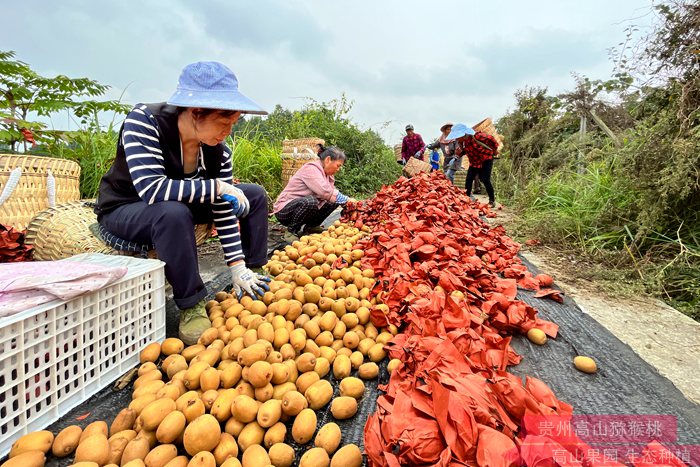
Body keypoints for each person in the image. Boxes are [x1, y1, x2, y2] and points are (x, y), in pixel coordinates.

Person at [95, 61, 271, 345]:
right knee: (173, 213)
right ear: (195, 112)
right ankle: (190, 302)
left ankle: (254, 271)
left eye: (233, 123)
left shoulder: (218, 151)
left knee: (253, 194)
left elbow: (222, 207)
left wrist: (236, 266)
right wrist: (216, 187)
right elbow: (151, 189)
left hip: (179, 205)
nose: (227, 131)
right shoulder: (145, 121)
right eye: (223, 122)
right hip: (129, 206)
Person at [273, 146, 355, 237]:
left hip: (302, 209)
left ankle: (312, 227)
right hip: (285, 211)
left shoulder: (328, 175)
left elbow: (331, 195)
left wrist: (347, 205)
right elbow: (325, 192)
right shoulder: (311, 169)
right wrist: (347, 199)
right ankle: (291, 231)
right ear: (328, 160)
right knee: (311, 201)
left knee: (333, 201)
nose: (338, 169)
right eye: (338, 165)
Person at [446, 123, 499, 207]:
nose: (456, 138)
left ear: (463, 134)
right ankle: (466, 199)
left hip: (486, 158)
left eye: (457, 136)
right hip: (474, 161)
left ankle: (492, 201)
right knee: (469, 180)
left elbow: (492, 139)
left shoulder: (478, 136)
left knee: (485, 179)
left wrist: (495, 150)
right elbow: (465, 151)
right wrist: (458, 154)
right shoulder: (462, 142)